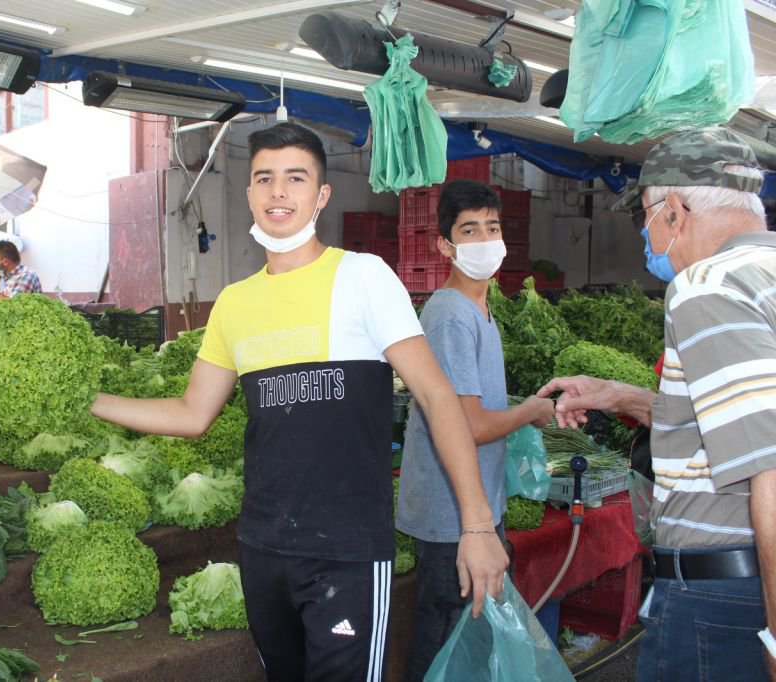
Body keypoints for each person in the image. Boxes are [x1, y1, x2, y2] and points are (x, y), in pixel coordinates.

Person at [89, 123, 507, 681]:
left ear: (321, 194)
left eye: (295, 178)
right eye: (265, 178)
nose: (278, 192)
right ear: (249, 194)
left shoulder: (363, 277)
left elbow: (437, 396)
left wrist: (476, 527)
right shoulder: (234, 304)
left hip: (348, 552)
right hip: (263, 548)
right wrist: (89, 401)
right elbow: (191, 413)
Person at [538, 128, 776, 682]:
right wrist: (621, 396)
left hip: (728, 594)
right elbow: (728, 418)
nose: (645, 231)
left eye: (644, 215)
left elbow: (769, 462)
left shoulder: (708, 286)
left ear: (673, 209)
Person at [396, 180, 555, 681]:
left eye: (493, 227)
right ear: (445, 244)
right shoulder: (449, 315)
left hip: (477, 508)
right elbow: (470, 426)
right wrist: (529, 411)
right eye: (470, 229)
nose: (485, 239)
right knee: (445, 637)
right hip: (451, 518)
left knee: (468, 640)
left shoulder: (482, 309)